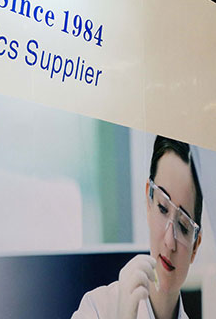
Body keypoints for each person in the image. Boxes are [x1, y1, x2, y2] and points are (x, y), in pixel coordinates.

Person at [73, 136, 203, 319]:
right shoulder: (96, 309)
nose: (169, 241)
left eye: (183, 226)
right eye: (162, 208)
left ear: (195, 246)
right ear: (149, 201)